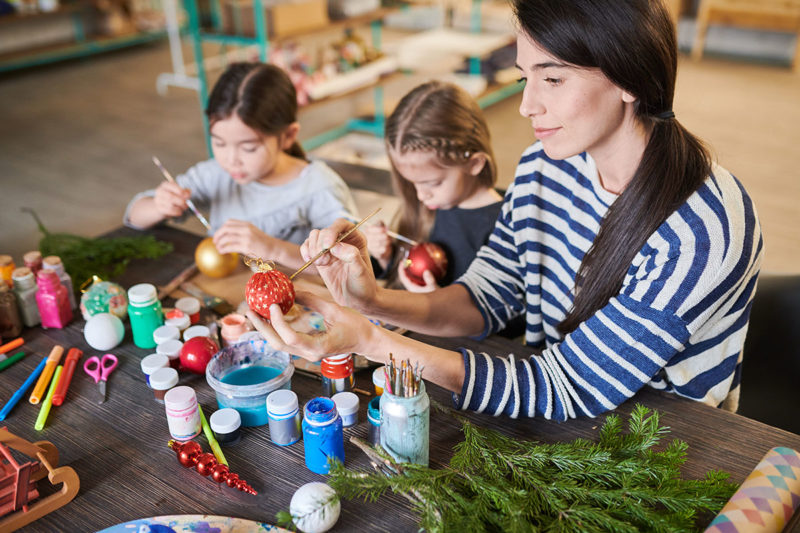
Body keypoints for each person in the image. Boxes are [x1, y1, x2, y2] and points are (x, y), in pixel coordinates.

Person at [247, 0, 763, 421]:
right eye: (524, 79)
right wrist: (374, 300)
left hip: (660, 445)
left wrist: (369, 339)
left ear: (629, 78)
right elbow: (488, 295)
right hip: (550, 412)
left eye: (552, 79)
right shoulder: (546, 165)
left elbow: (570, 387)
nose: (527, 106)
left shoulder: (701, 229)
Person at [124, 62, 358, 270]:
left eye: (248, 148)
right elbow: (134, 215)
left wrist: (272, 248)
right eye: (219, 142)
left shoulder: (317, 187)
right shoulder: (215, 174)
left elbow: (350, 266)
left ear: (288, 136)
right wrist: (159, 206)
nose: (231, 159)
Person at [364, 81, 503, 292]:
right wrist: (386, 257)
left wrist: (437, 304)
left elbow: (506, 319)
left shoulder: (502, 229)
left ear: (474, 164)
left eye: (433, 183)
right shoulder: (434, 204)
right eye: (412, 182)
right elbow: (408, 274)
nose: (421, 195)